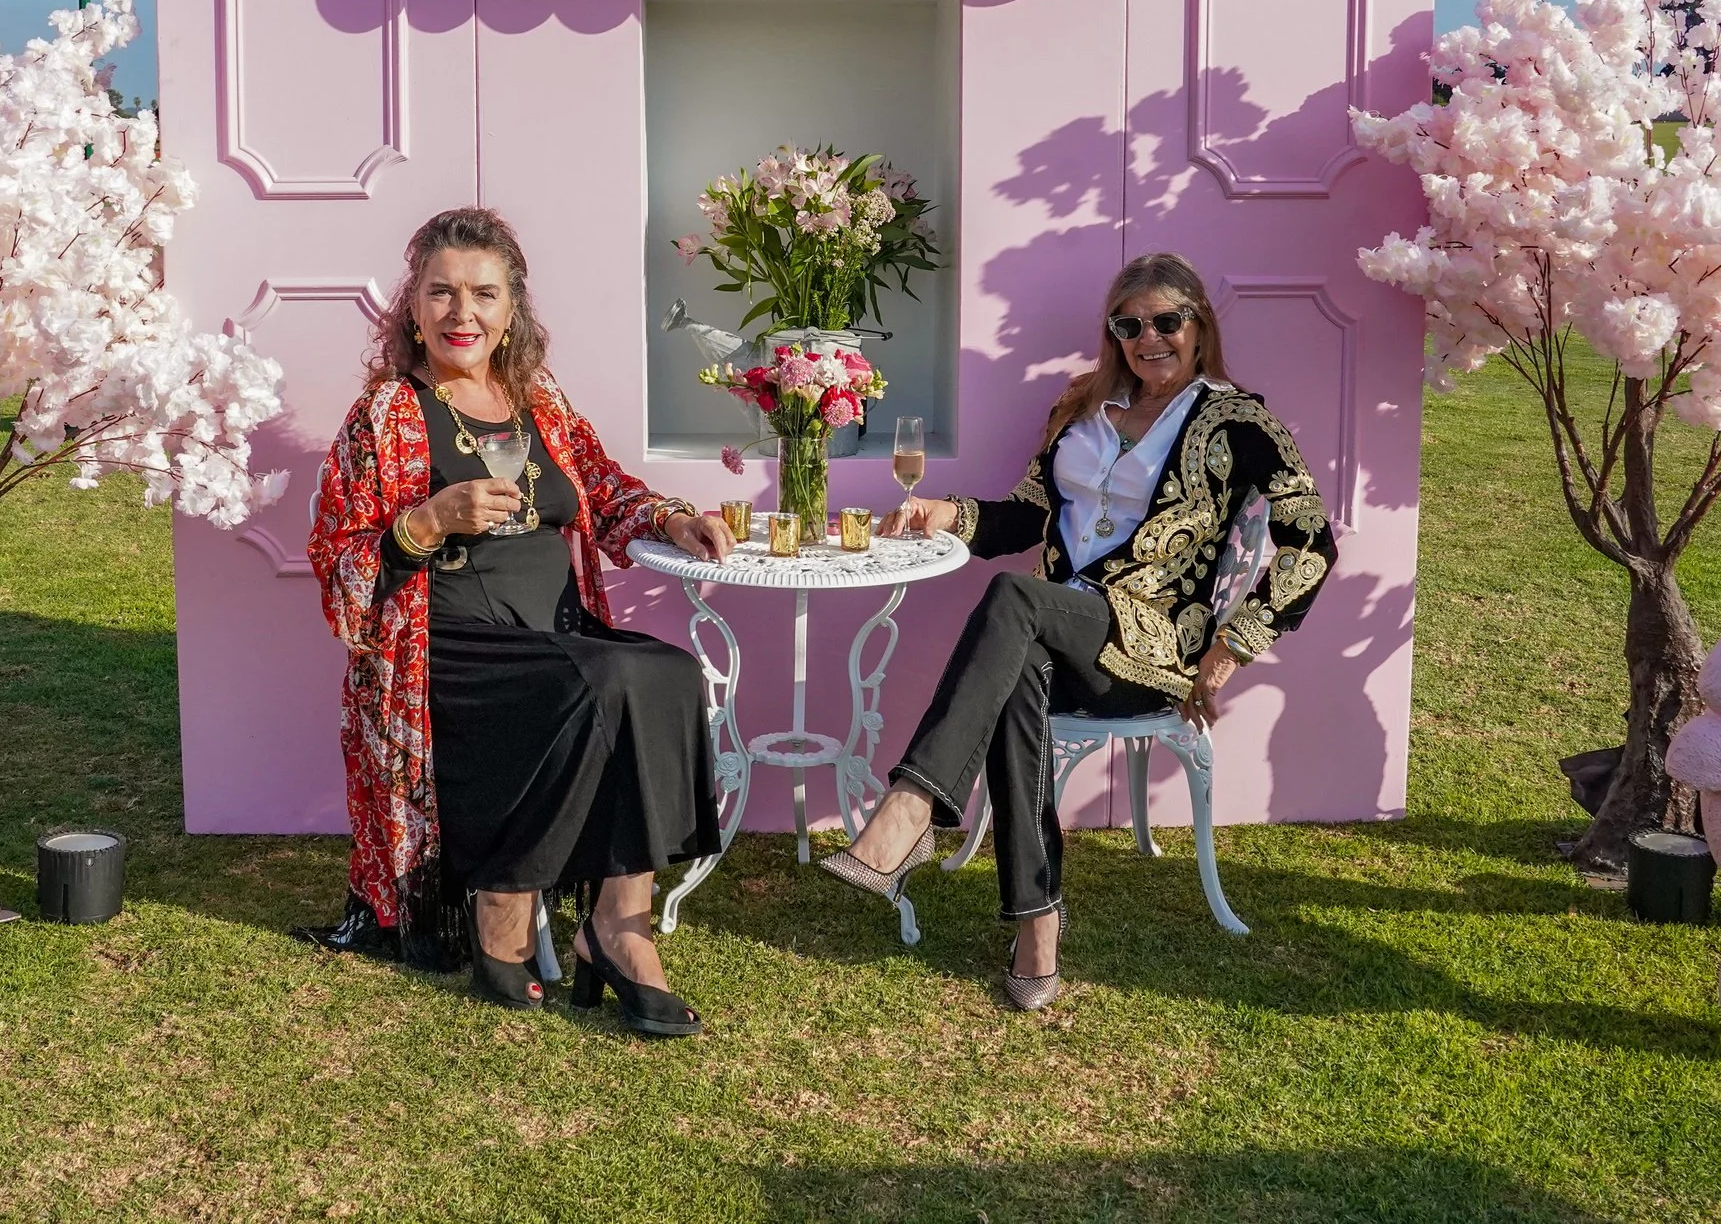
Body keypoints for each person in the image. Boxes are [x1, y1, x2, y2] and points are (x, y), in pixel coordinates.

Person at [822, 252, 1336, 1008]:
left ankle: (914, 805)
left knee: (1017, 599)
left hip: (1153, 645)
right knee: (1019, 647)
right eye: (1128, 324)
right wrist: (946, 513)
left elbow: (1313, 540)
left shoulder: (1239, 420)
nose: (1147, 337)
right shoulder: (1081, 409)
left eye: (1166, 321)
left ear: (1199, 327)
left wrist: (1233, 645)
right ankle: (1036, 923)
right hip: (1059, 630)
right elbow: (1026, 515)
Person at [306, 207, 738, 1035]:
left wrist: (672, 518)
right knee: (602, 680)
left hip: (553, 624)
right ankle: (500, 906)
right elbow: (339, 568)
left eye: (482, 293)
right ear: (413, 306)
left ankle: (618, 926)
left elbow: (606, 492)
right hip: (451, 644)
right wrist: (426, 521)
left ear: (512, 309)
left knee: (668, 672)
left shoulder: (539, 399)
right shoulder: (386, 416)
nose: (460, 312)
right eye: (441, 292)